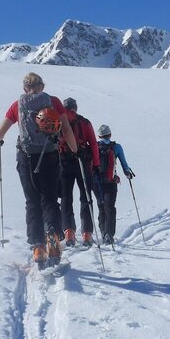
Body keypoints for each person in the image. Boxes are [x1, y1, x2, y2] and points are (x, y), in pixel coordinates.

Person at [0, 72, 78, 269]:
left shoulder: (18, 105)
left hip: (26, 159)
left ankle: (38, 248)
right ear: (43, 86)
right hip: (49, 157)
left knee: (32, 201)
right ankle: (53, 239)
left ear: (24, 89)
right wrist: (75, 150)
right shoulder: (54, 102)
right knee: (49, 199)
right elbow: (66, 129)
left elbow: (0, 132)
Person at [57, 97, 100, 247]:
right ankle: (87, 234)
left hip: (64, 163)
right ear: (76, 108)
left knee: (66, 198)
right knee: (86, 197)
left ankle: (68, 232)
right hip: (83, 162)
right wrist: (96, 164)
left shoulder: (59, 121)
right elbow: (93, 143)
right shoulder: (84, 122)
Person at [93, 124, 135, 245]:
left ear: (99, 136)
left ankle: (103, 231)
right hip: (111, 182)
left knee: (101, 205)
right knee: (110, 207)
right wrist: (127, 173)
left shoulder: (94, 146)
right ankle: (109, 234)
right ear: (110, 135)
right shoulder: (116, 147)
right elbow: (123, 163)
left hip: (96, 182)